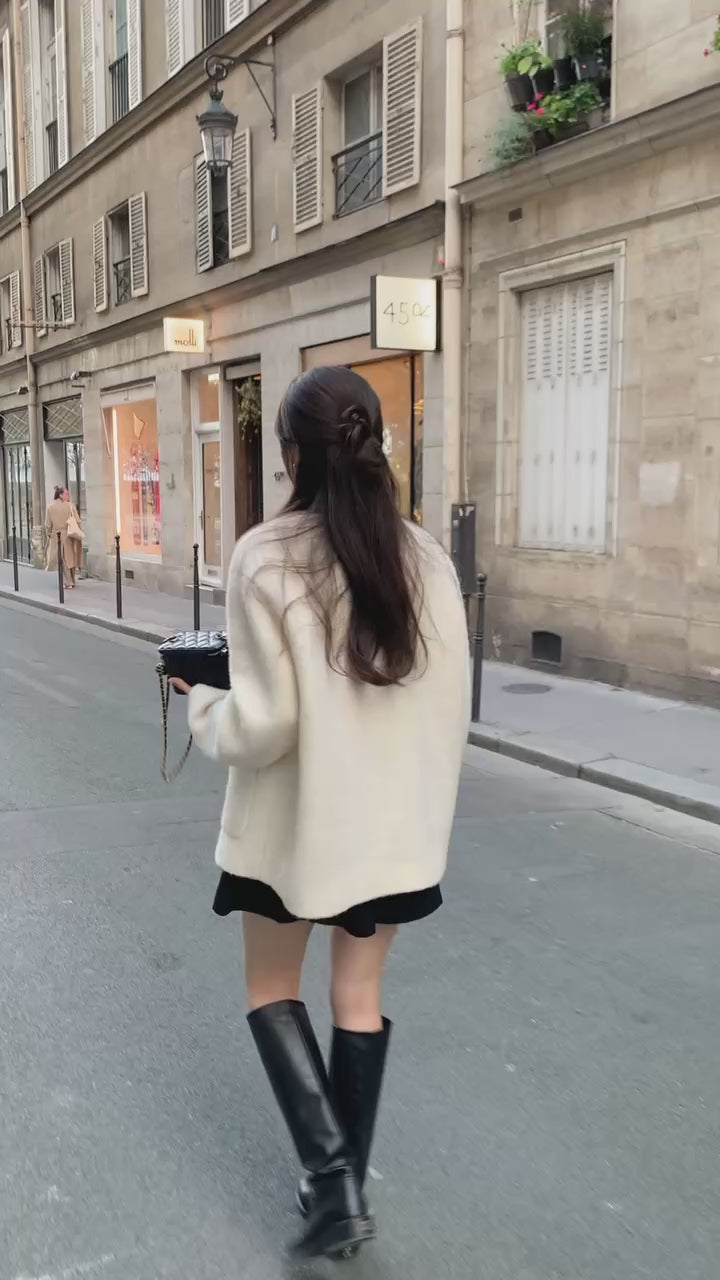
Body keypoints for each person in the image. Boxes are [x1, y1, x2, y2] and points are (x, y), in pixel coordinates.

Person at [170, 366, 470, 1259]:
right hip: (394, 832)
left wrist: (200, 699)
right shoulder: (427, 559)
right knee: (359, 994)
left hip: (294, 833)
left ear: (292, 454)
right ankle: (340, 1185)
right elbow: (447, 705)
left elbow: (265, 725)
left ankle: (333, 1184)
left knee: (272, 987)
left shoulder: (268, 556)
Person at [45, 487, 82, 588]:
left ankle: (68, 581)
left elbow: (48, 524)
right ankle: (72, 580)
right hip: (69, 534)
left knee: (61, 559)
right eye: (66, 494)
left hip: (56, 535)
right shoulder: (70, 506)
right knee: (70, 558)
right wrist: (79, 531)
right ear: (60, 495)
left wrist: (49, 534)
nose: (68, 496)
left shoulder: (50, 508)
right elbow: (78, 520)